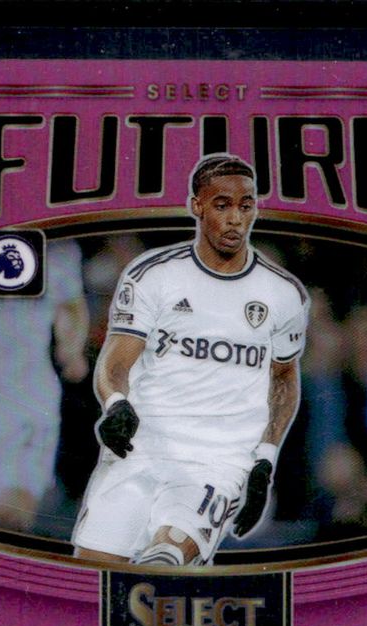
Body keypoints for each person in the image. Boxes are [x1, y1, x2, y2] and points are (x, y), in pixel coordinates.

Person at [73, 154, 310, 566]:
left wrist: (265, 459)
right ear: (197, 206)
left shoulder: (283, 293)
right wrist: (116, 404)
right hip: (140, 449)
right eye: (222, 205)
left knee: (165, 557)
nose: (235, 218)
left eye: (245, 206)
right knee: (93, 578)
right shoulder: (152, 275)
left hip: (217, 461)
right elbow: (115, 362)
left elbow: (284, 378)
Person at [0, 238, 89, 531]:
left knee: (13, 514)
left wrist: (72, 348)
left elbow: (71, 302)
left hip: (27, 396)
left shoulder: (59, 246)